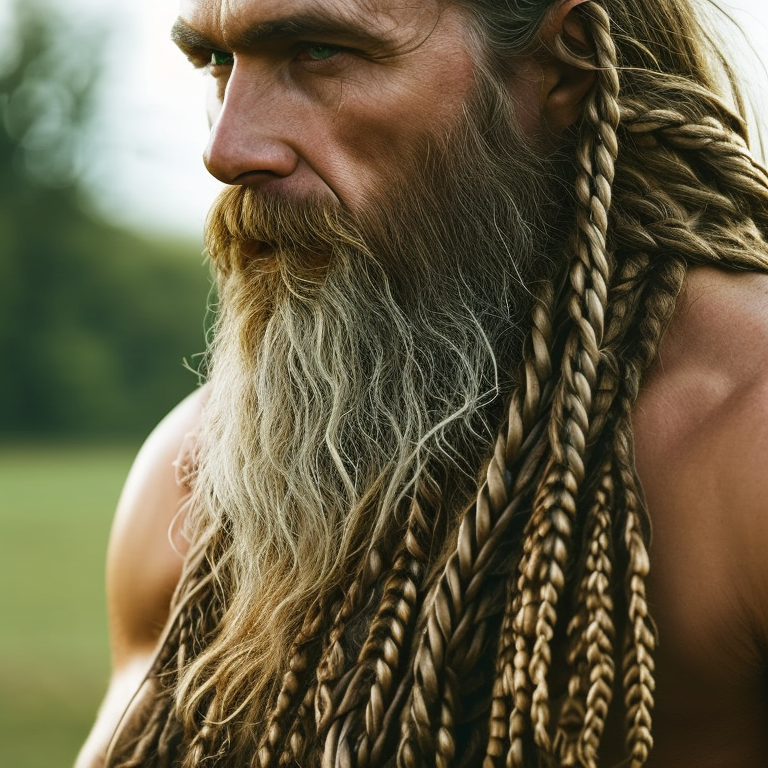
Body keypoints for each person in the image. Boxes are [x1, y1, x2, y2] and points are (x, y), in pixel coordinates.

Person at [75, 0, 768, 765]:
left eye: (317, 52)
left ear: (562, 65)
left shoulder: (746, 444)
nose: (227, 149)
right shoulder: (196, 488)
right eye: (215, 63)